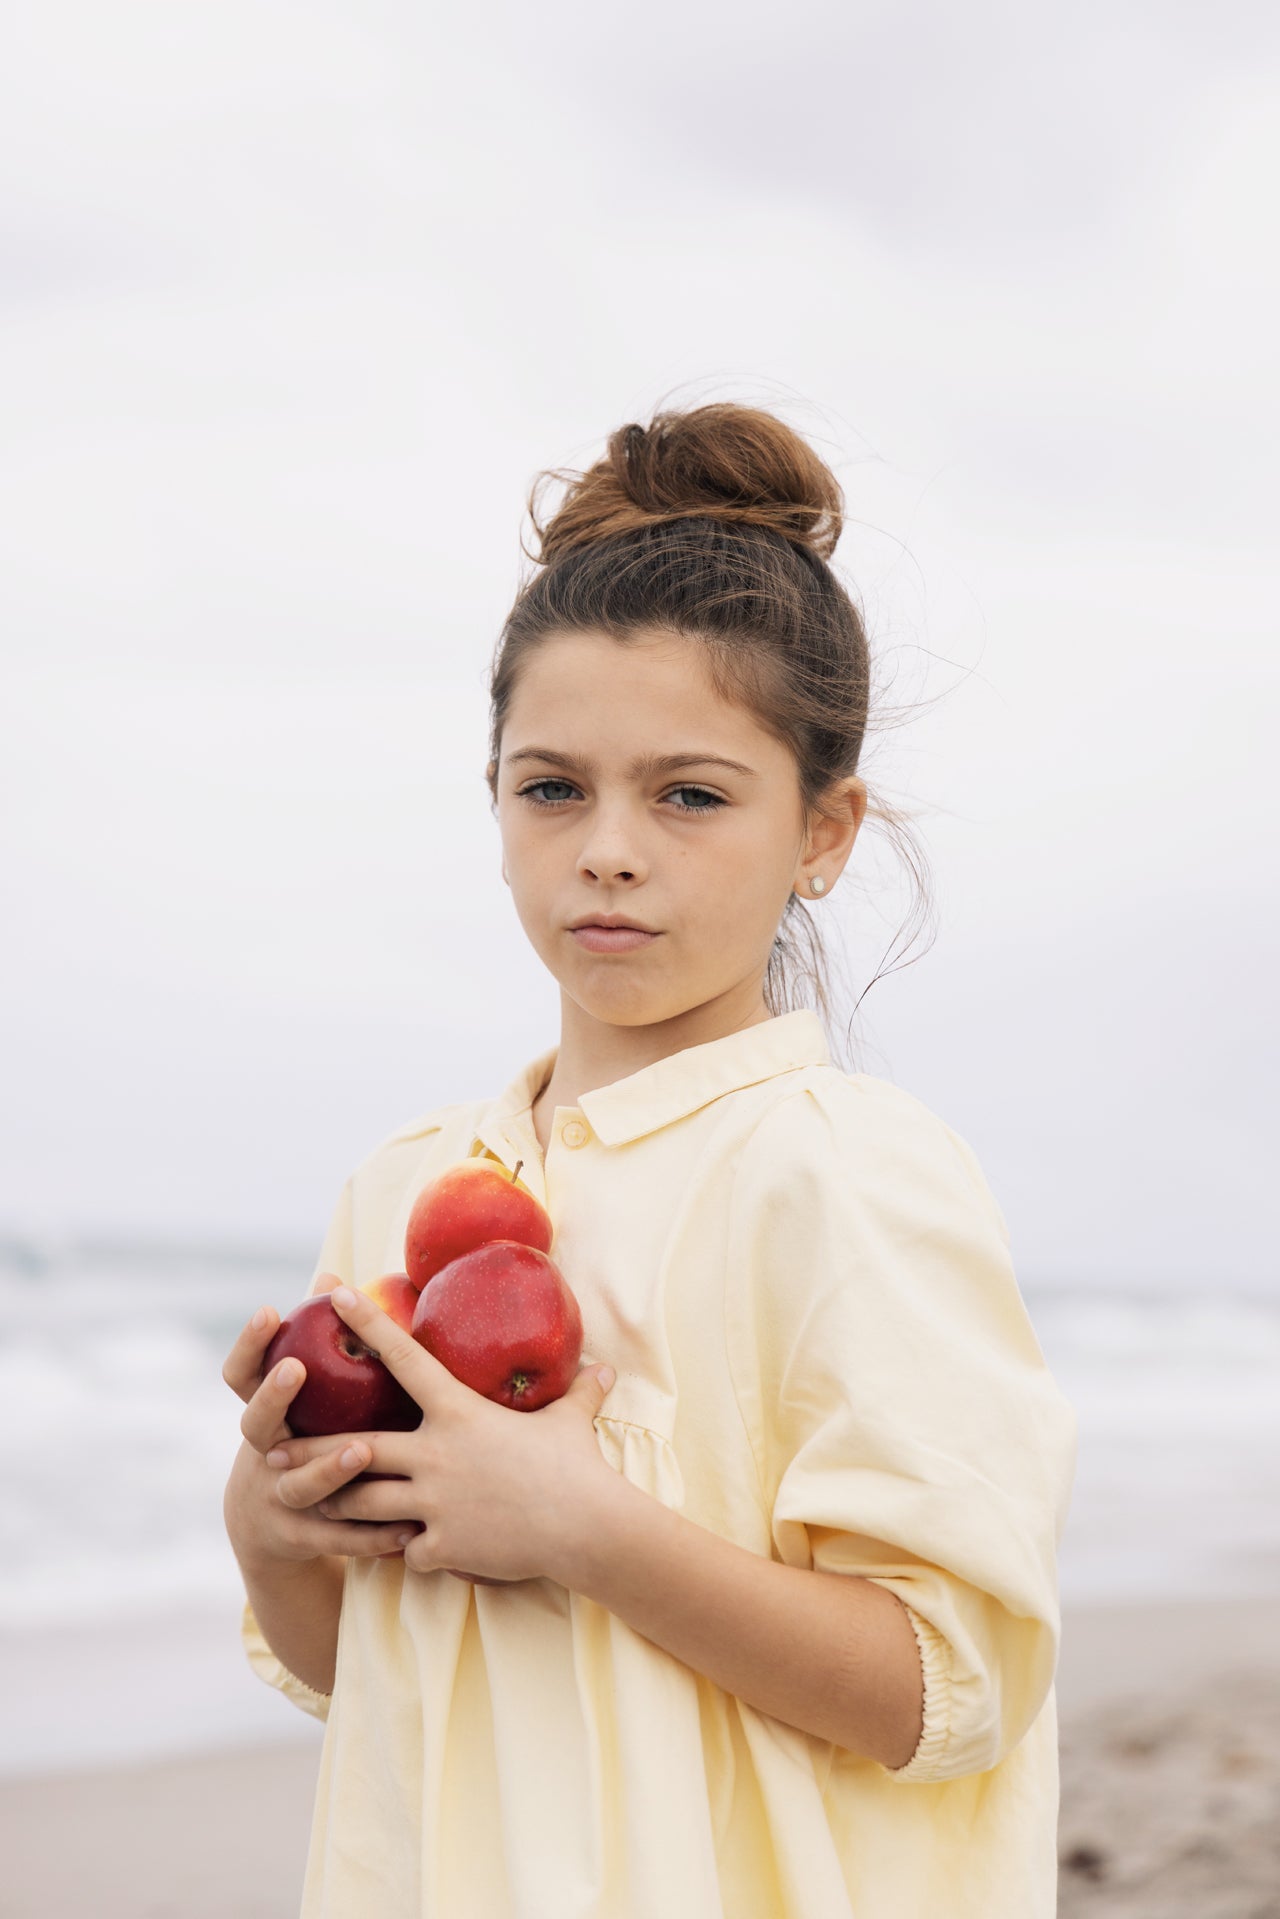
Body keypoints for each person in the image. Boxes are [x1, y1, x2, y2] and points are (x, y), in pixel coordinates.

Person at [222, 400, 1078, 1918]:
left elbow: (945, 1694)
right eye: (552, 786)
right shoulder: (409, 1183)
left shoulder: (842, 1174)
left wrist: (590, 1531)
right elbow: (372, 1682)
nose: (608, 847)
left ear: (824, 834)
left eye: (689, 793)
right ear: (493, 807)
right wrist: (273, 1527)